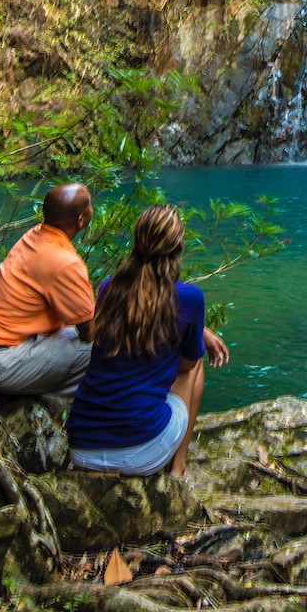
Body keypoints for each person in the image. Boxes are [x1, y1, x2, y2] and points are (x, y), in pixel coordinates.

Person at [67, 204, 229, 477]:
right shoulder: (190, 298)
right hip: (140, 453)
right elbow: (186, 366)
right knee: (195, 364)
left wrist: (200, 330)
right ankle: (178, 469)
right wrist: (196, 332)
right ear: (179, 245)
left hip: (82, 448)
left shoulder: (109, 287)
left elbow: (145, 308)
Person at [0, 183, 99, 401]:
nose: (92, 210)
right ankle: (59, 400)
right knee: (106, 346)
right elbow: (89, 333)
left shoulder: (35, 236)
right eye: (89, 207)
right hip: (2, 363)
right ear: (80, 221)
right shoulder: (65, 262)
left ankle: (46, 394)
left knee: (74, 334)